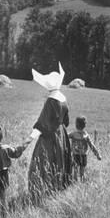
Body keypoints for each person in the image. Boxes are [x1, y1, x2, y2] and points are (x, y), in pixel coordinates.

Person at [25, 62, 72, 199]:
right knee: (60, 160)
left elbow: (41, 123)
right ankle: (56, 189)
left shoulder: (51, 100)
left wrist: (28, 140)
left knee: (43, 160)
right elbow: (67, 122)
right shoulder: (64, 99)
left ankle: (41, 191)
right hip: (61, 135)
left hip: (50, 136)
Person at [0, 125, 29, 210]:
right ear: (2, 137)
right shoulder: (6, 148)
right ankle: (4, 211)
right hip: (4, 176)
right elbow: (16, 153)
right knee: (3, 195)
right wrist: (23, 146)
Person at [68, 116, 101, 182]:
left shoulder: (73, 134)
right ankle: (81, 183)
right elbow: (92, 146)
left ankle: (74, 183)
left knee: (75, 170)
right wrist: (97, 154)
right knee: (82, 172)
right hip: (83, 155)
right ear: (84, 125)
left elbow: (65, 136)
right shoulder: (86, 135)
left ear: (76, 124)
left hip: (75, 155)